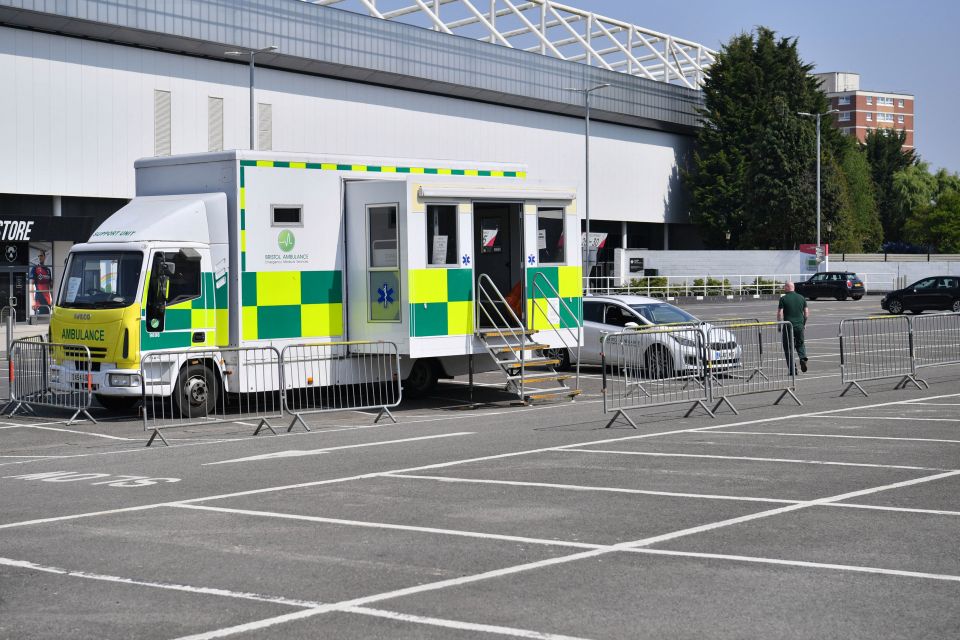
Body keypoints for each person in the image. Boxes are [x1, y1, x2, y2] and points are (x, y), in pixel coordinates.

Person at [777, 281, 809, 374]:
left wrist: (779, 326)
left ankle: (792, 370)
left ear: (788, 287)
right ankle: (803, 358)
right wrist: (804, 324)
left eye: (784, 287)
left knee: (788, 348)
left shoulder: (783, 299)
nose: (784, 288)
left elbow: (780, 314)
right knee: (800, 344)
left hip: (788, 326)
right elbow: (806, 313)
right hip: (799, 326)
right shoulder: (801, 298)